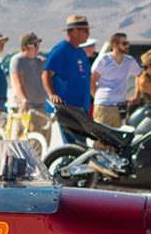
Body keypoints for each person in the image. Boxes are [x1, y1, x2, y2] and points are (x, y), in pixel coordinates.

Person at [43, 15, 94, 145]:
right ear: (74, 31)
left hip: (82, 108)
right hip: (68, 109)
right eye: (85, 31)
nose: (88, 34)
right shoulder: (61, 51)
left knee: (81, 145)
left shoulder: (81, 53)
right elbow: (46, 74)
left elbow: (87, 78)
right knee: (74, 147)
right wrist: (52, 94)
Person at [91, 33, 141, 129]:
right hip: (104, 107)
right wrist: (97, 98)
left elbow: (139, 75)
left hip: (120, 108)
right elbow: (92, 81)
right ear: (115, 45)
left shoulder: (129, 61)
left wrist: (137, 94)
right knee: (101, 140)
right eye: (124, 43)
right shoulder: (104, 60)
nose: (127, 46)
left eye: (128, 43)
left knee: (118, 140)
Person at [9, 32, 51, 143]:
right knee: (29, 141)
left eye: (38, 45)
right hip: (29, 108)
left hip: (43, 108)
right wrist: (24, 100)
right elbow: (18, 83)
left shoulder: (40, 61)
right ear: (25, 47)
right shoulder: (18, 60)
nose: (37, 48)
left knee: (44, 141)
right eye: (34, 45)